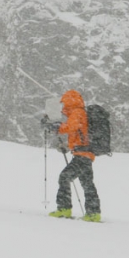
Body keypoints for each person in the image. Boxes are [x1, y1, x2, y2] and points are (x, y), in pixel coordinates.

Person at [43, 90, 101, 222]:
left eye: (64, 103)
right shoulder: (80, 113)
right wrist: (67, 146)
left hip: (82, 155)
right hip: (85, 153)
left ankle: (64, 208)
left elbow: (71, 127)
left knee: (65, 177)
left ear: (70, 101)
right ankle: (93, 213)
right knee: (87, 183)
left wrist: (55, 127)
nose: (63, 106)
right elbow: (78, 134)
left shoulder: (77, 112)